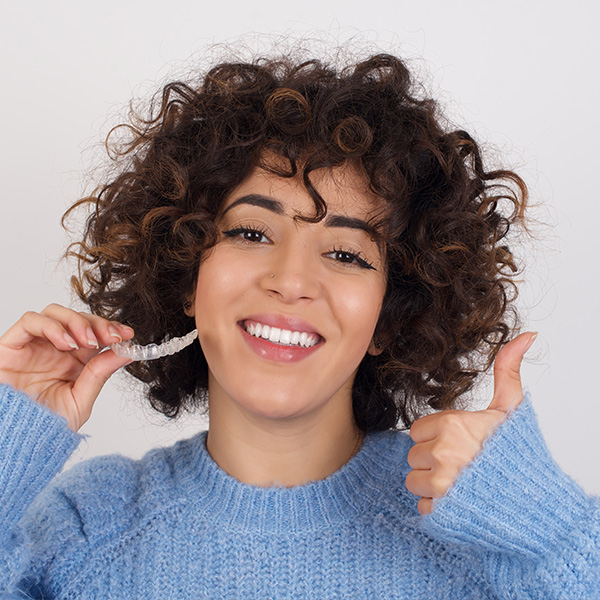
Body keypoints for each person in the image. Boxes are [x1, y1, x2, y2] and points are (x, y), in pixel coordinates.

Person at [0, 50, 598, 598]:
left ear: (390, 317)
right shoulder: (83, 530)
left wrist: (549, 524)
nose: (291, 280)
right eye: (251, 233)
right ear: (187, 276)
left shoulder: (489, 536)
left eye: (346, 255)